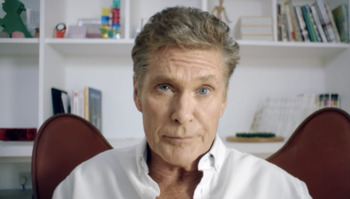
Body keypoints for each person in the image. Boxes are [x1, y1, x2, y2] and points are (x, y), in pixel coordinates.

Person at [52, 6, 311, 199]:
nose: (182, 114)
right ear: (137, 92)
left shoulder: (280, 190)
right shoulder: (82, 187)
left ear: (224, 100)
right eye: (165, 87)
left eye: (204, 90)